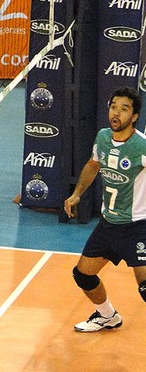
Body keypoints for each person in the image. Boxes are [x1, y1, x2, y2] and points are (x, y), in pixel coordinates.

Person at [64, 86, 146, 333]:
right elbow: (92, 165)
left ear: (134, 117)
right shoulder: (102, 137)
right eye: (113, 107)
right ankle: (108, 316)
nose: (116, 113)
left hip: (137, 226)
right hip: (108, 225)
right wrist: (77, 194)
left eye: (124, 109)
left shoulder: (141, 146)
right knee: (83, 276)